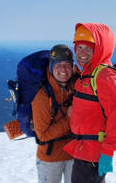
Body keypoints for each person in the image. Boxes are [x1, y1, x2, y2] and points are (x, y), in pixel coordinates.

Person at [63, 23, 116, 183]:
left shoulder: (105, 76)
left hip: (92, 156)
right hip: (83, 151)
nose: (81, 53)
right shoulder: (88, 73)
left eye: (87, 48)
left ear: (100, 48)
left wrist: (108, 152)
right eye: (78, 48)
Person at [32, 44, 76, 183]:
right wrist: (69, 119)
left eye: (67, 65)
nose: (63, 69)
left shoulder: (77, 85)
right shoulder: (43, 95)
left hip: (74, 154)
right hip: (50, 159)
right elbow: (43, 135)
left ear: (72, 67)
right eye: (58, 65)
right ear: (51, 67)